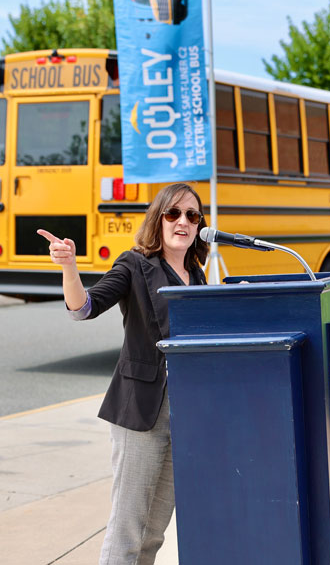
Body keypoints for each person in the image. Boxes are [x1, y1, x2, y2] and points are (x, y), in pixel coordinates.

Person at [38, 183, 208, 565]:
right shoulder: (134, 264)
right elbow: (85, 308)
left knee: (153, 532)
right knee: (128, 529)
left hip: (185, 412)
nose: (183, 221)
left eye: (192, 215)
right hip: (142, 413)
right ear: (158, 218)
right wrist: (69, 267)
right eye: (174, 213)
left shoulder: (196, 273)